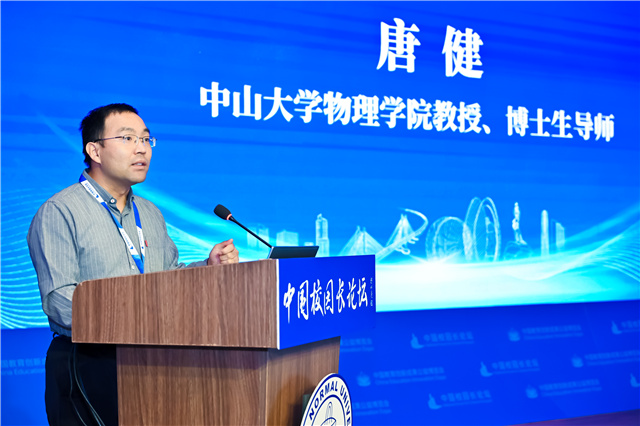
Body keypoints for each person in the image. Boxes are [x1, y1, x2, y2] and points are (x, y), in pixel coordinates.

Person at [27, 103, 239, 426]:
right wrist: (131, 317)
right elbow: (59, 300)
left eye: (146, 139)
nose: (142, 148)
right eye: (127, 138)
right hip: (87, 363)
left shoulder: (150, 213)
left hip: (153, 359)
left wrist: (207, 268)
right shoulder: (60, 211)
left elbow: (167, 278)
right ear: (95, 151)